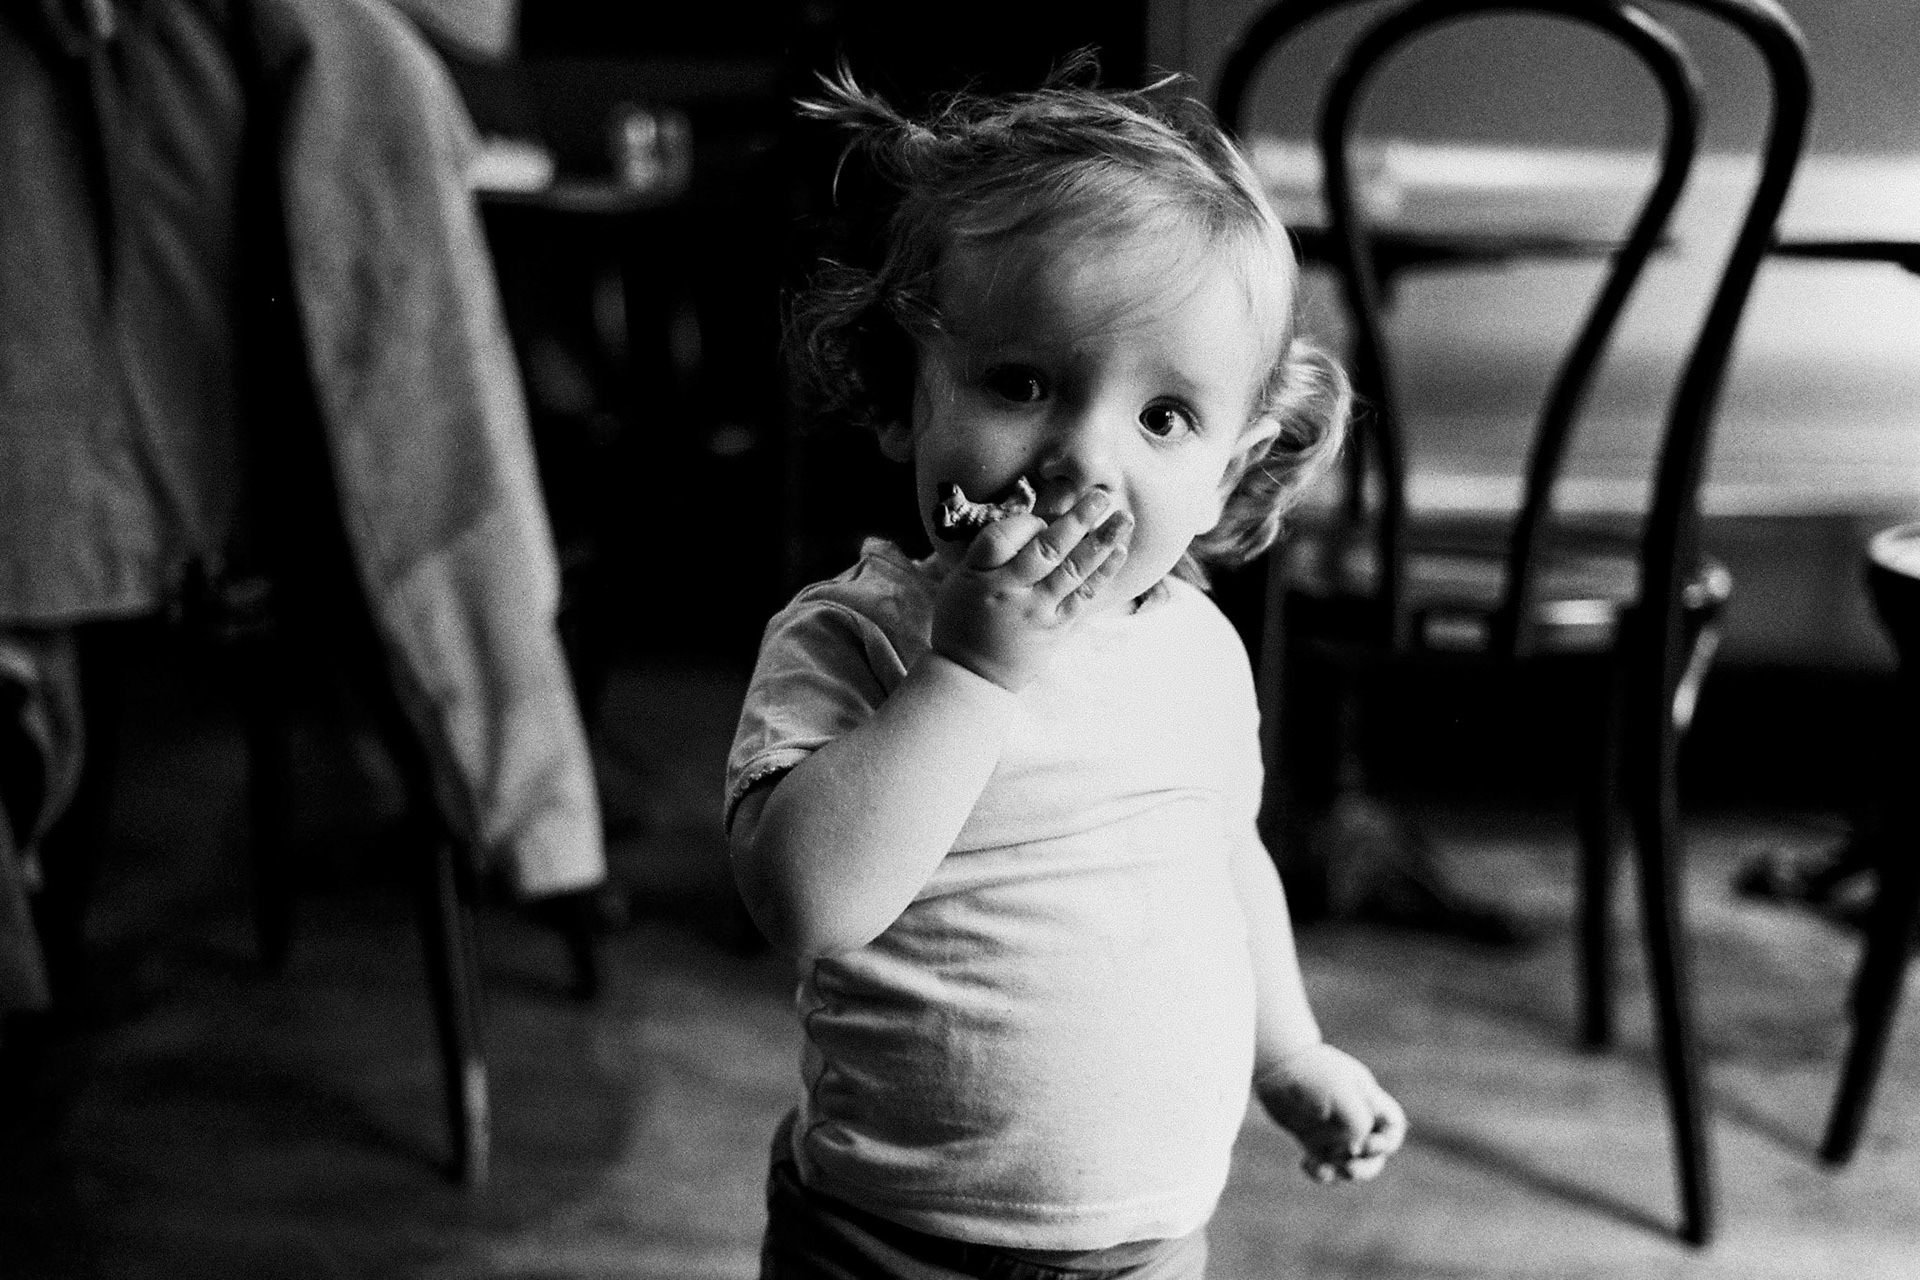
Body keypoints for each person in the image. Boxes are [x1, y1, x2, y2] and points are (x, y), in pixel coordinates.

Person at [724, 60, 1406, 1280]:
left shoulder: (1197, 646)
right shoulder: (860, 634)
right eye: (1020, 382)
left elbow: (1225, 853)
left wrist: (1289, 1048)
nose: (1083, 457)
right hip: (892, 1243)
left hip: (1148, 1244)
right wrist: (971, 676)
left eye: (1162, 418)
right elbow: (807, 903)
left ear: (1227, 472)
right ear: (901, 394)